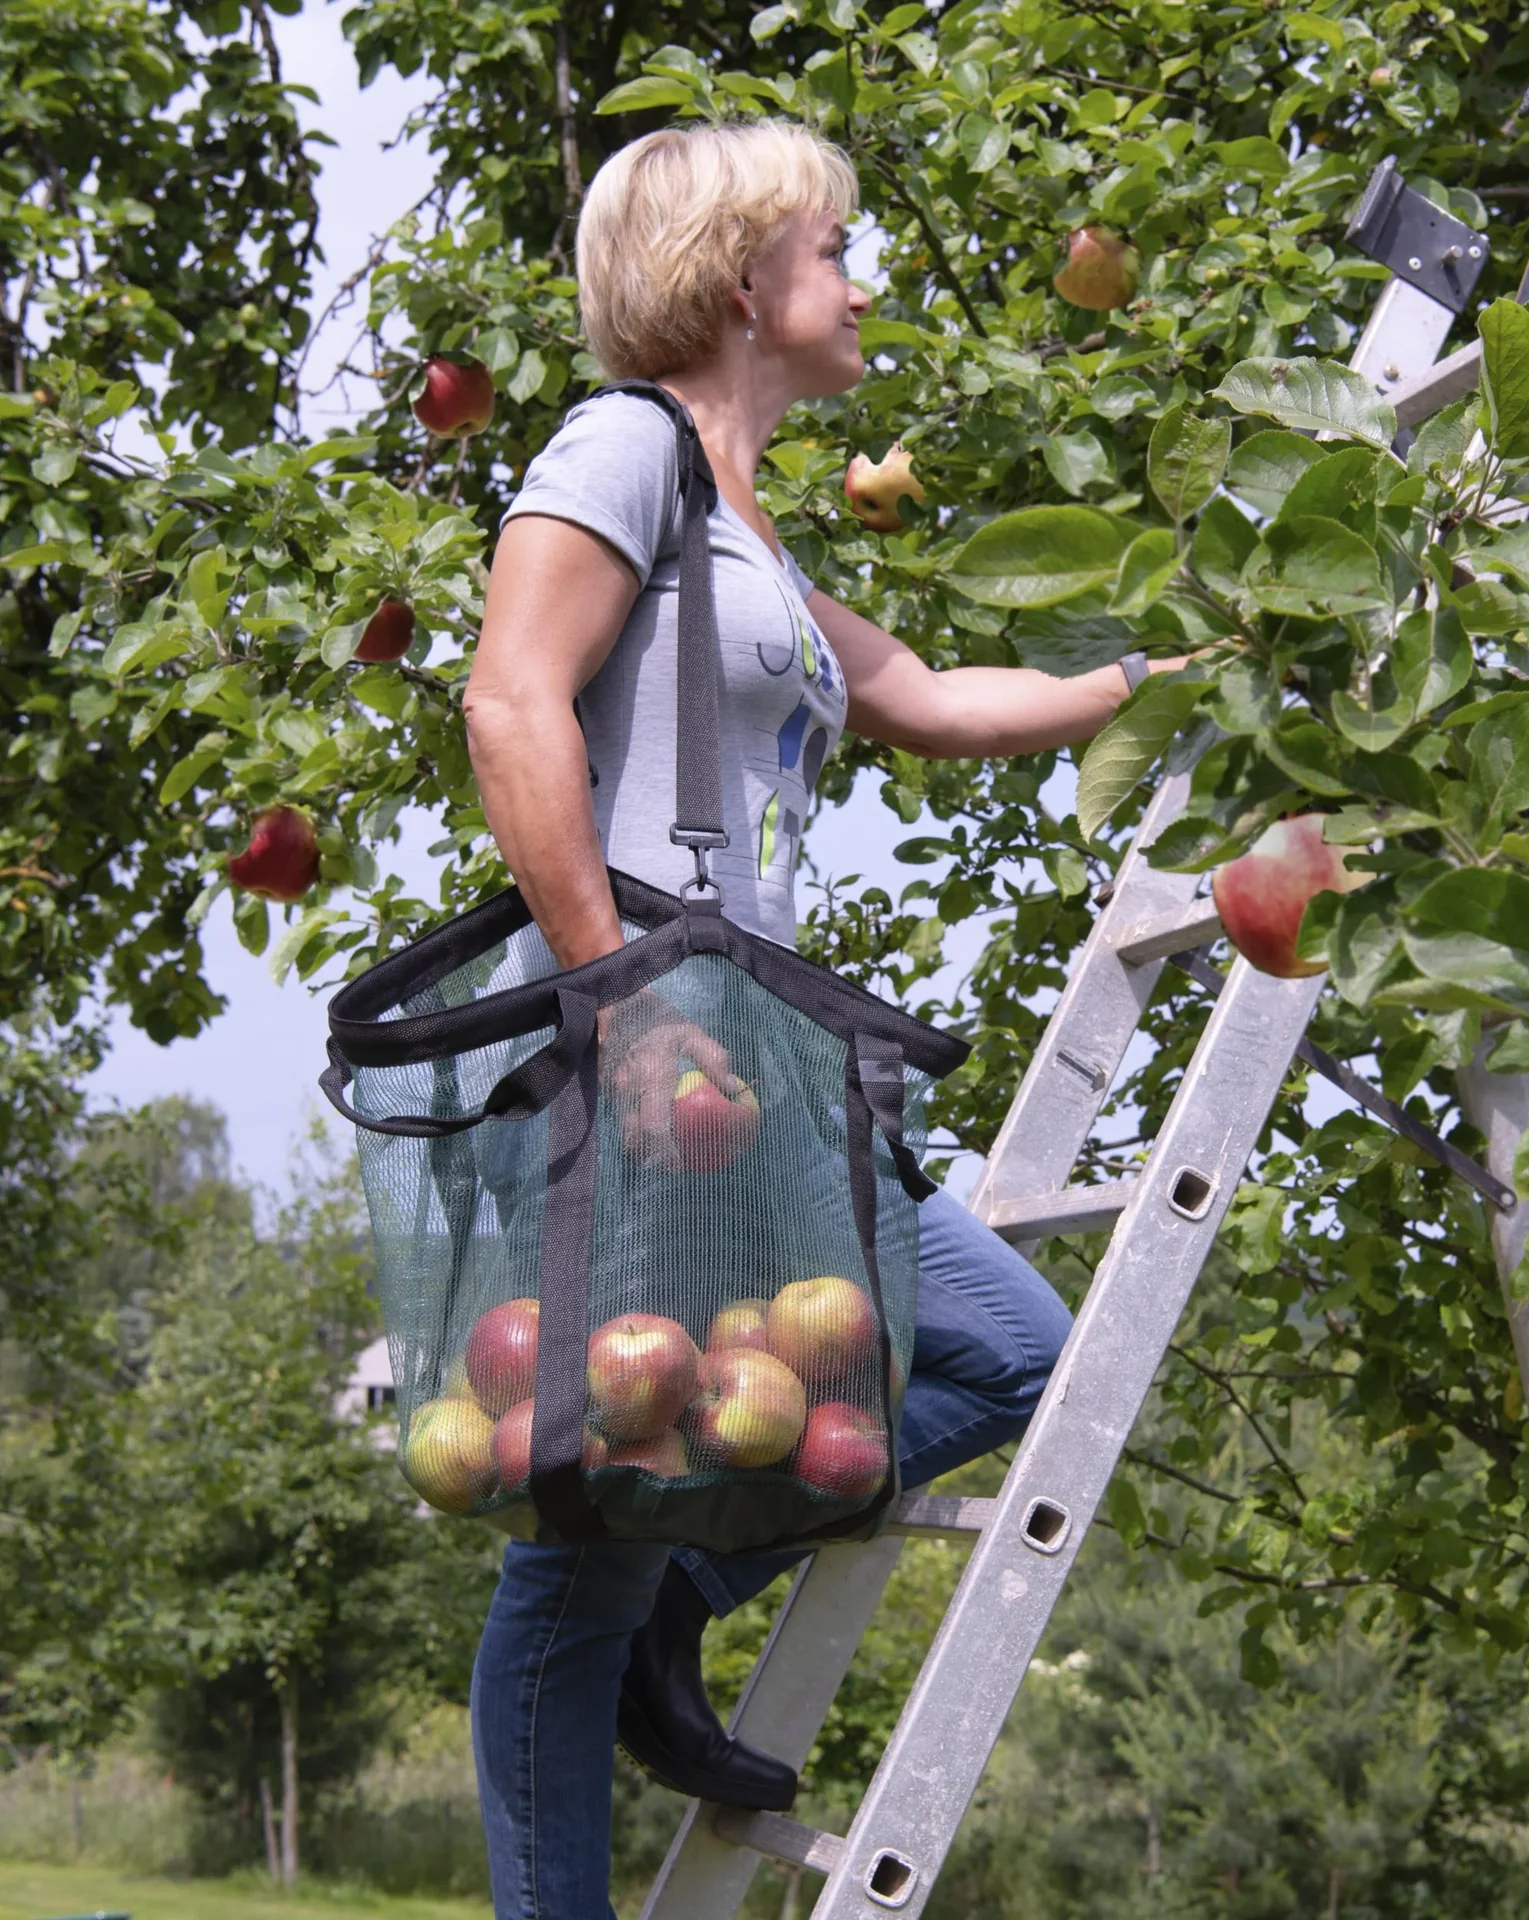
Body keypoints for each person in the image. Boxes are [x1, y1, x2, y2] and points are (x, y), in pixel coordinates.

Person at [461, 119, 1181, 1920]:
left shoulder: (744, 524)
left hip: (759, 1054)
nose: (862, 283)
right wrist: (614, 998)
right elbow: (509, 705)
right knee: (581, 1544)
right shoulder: (618, 448)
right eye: (835, 250)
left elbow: (925, 694)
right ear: (735, 284)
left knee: (1006, 1350)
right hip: (656, 1039)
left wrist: (1152, 684)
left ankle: (673, 1623)